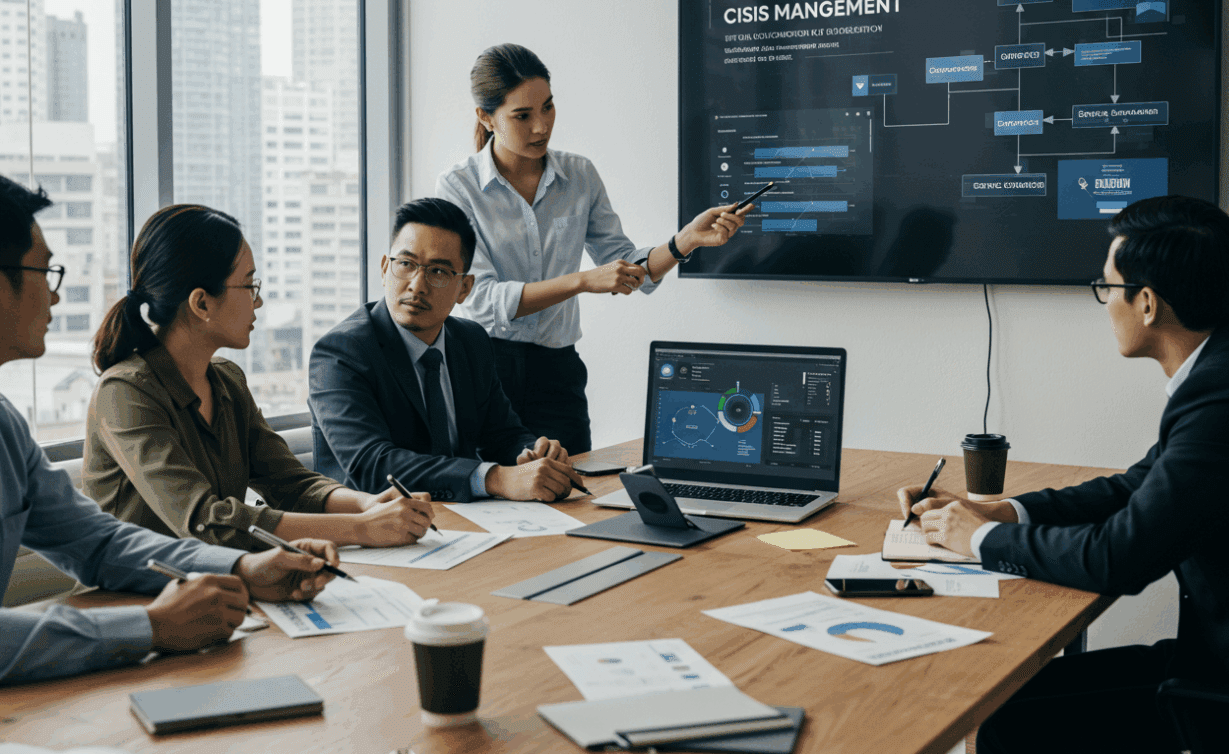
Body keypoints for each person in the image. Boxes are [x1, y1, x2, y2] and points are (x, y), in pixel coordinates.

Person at [896, 196, 1229, 754]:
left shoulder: (1226, 396)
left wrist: (980, 540)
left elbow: (1120, 557)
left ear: (1146, 304)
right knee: (1008, 701)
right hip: (1223, 659)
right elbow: (1137, 486)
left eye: (1107, 287)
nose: (1103, 303)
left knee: (1005, 718)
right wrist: (1007, 512)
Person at [0, 176, 338, 685]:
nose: (54, 295)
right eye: (44, 272)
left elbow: (99, 544)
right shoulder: (127, 389)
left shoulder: (6, 429)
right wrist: (149, 626)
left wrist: (241, 569)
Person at [434, 43, 749, 454]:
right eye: (522, 116)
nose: (540, 127)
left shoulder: (579, 175)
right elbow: (483, 299)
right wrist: (584, 281)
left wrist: (684, 240)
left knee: (575, 494)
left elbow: (627, 267)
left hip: (558, 372)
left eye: (548, 108)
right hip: (484, 369)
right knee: (492, 498)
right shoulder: (459, 187)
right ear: (486, 117)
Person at [83, 204, 434, 552]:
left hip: (219, 581)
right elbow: (205, 520)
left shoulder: (226, 380)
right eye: (249, 286)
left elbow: (291, 484)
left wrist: (366, 505)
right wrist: (362, 529)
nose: (260, 301)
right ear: (201, 304)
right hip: (135, 594)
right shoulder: (125, 393)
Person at [308, 197, 579, 503]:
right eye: (406, 265)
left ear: (464, 288)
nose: (417, 285)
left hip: (467, 518)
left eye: (438, 271)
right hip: (374, 529)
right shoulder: (340, 353)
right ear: (385, 269)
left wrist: (534, 455)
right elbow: (371, 466)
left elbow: (503, 434)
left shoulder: (471, 340)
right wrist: (494, 478)